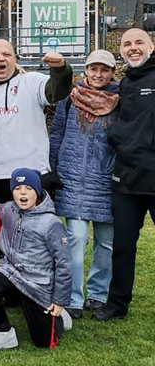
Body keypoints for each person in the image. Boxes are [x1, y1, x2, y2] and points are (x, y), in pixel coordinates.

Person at [0, 40, 72, 203]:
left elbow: (57, 91)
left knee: (35, 227)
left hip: (33, 172)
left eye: (7, 54)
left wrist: (60, 69)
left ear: (15, 59)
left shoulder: (31, 81)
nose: (1, 58)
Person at [49, 49, 119, 318]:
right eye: (93, 69)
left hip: (105, 180)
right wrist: (53, 170)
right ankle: (74, 297)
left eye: (104, 70)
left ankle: (99, 294)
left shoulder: (121, 101)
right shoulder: (70, 100)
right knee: (76, 239)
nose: (98, 74)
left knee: (106, 241)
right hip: (73, 179)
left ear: (112, 72)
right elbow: (56, 136)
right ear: (85, 70)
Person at [95, 28, 155, 321]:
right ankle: (117, 305)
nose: (133, 48)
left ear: (151, 46)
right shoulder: (124, 85)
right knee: (122, 247)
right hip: (126, 180)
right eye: (127, 44)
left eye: (139, 43)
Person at [0, 169, 73, 350]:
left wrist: (60, 301)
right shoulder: (7, 209)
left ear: (37, 191)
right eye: (18, 188)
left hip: (37, 285)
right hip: (11, 273)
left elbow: (64, 264)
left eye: (28, 188)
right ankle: (4, 332)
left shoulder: (51, 223)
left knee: (44, 343)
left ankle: (58, 316)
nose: (22, 193)